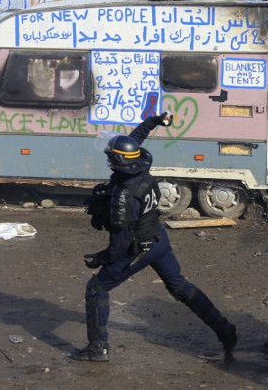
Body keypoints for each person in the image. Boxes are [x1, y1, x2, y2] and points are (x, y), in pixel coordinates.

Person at [74, 114, 237, 363]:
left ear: (118, 161)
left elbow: (118, 245)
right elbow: (135, 140)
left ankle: (97, 348)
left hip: (138, 248)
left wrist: (100, 258)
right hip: (159, 239)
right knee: (180, 286)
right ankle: (224, 329)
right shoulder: (143, 166)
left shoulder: (122, 196)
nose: (107, 159)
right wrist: (153, 121)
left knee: (97, 289)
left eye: (110, 157)